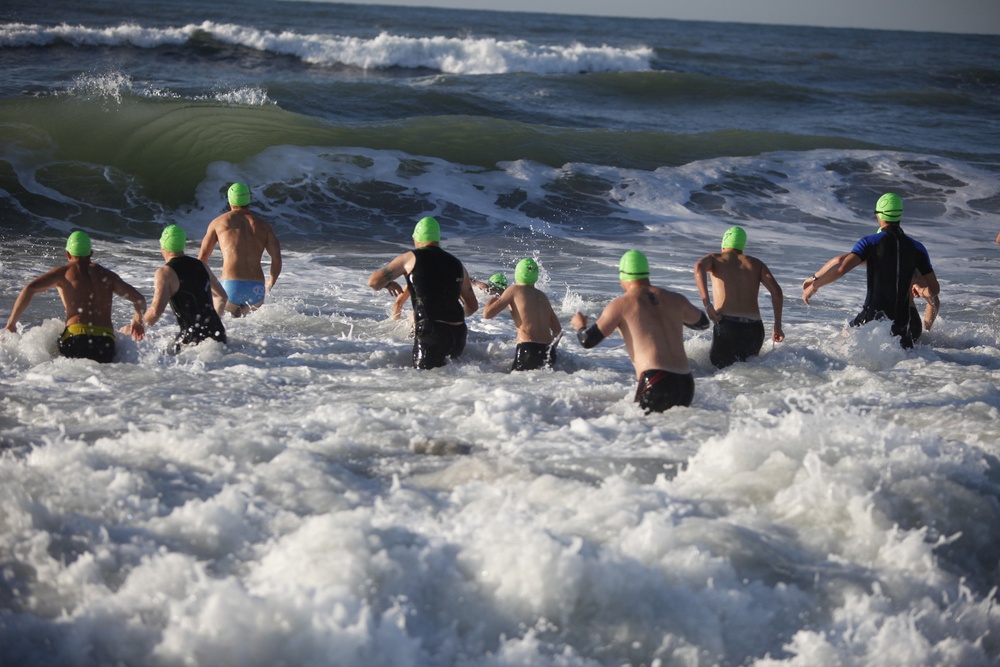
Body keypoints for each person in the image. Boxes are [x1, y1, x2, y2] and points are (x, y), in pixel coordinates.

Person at [571, 250, 710, 413]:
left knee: (637, 434)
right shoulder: (676, 299)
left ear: (622, 276)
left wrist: (580, 326)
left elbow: (587, 340)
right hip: (686, 383)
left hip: (657, 380)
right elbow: (703, 323)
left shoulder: (621, 304)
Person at [802, 192, 939, 349]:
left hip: (875, 319)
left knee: (840, 344)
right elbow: (934, 293)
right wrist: (926, 325)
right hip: (908, 325)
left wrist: (814, 283)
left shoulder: (871, 245)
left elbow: (840, 265)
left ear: (879, 216)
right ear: (900, 214)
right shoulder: (916, 249)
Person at [4, 231, 146, 363]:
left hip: (76, 338)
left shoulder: (63, 273)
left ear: (68, 254)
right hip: (105, 342)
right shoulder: (108, 276)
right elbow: (139, 300)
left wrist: (11, 324)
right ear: (91, 253)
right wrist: (138, 320)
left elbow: (29, 289)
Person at [368, 216, 478, 369]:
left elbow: (373, 282)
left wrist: (388, 284)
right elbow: (472, 306)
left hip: (431, 332)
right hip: (458, 334)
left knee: (423, 383)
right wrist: (450, 315)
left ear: (417, 238)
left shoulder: (410, 258)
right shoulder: (457, 264)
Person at [693, 226, 784, 368]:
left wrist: (707, 304)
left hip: (728, 326)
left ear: (724, 244)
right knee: (748, 375)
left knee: (719, 376)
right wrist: (777, 326)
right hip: (755, 329)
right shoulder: (757, 264)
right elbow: (777, 292)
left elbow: (699, 267)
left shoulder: (716, 259)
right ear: (742, 246)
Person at [198, 182, 282, 317]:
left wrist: (207, 286)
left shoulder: (219, 222)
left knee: (224, 329)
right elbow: (277, 258)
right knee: (252, 330)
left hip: (230, 286)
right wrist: (270, 283)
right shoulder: (264, 226)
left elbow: (202, 259)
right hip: (256, 288)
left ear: (230, 200)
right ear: (248, 200)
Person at [140, 225, 228, 353]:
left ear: (163, 246)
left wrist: (137, 326)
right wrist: (214, 319)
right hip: (219, 334)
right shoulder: (201, 265)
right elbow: (222, 297)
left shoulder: (165, 273)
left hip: (194, 340)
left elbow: (155, 311)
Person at [483, 258, 562, 371]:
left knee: (514, 386)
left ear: (517, 273)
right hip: (548, 351)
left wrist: (490, 301)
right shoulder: (542, 296)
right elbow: (558, 331)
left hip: (528, 348)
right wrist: (550, 350)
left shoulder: (514, 290)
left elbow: (487, 314)